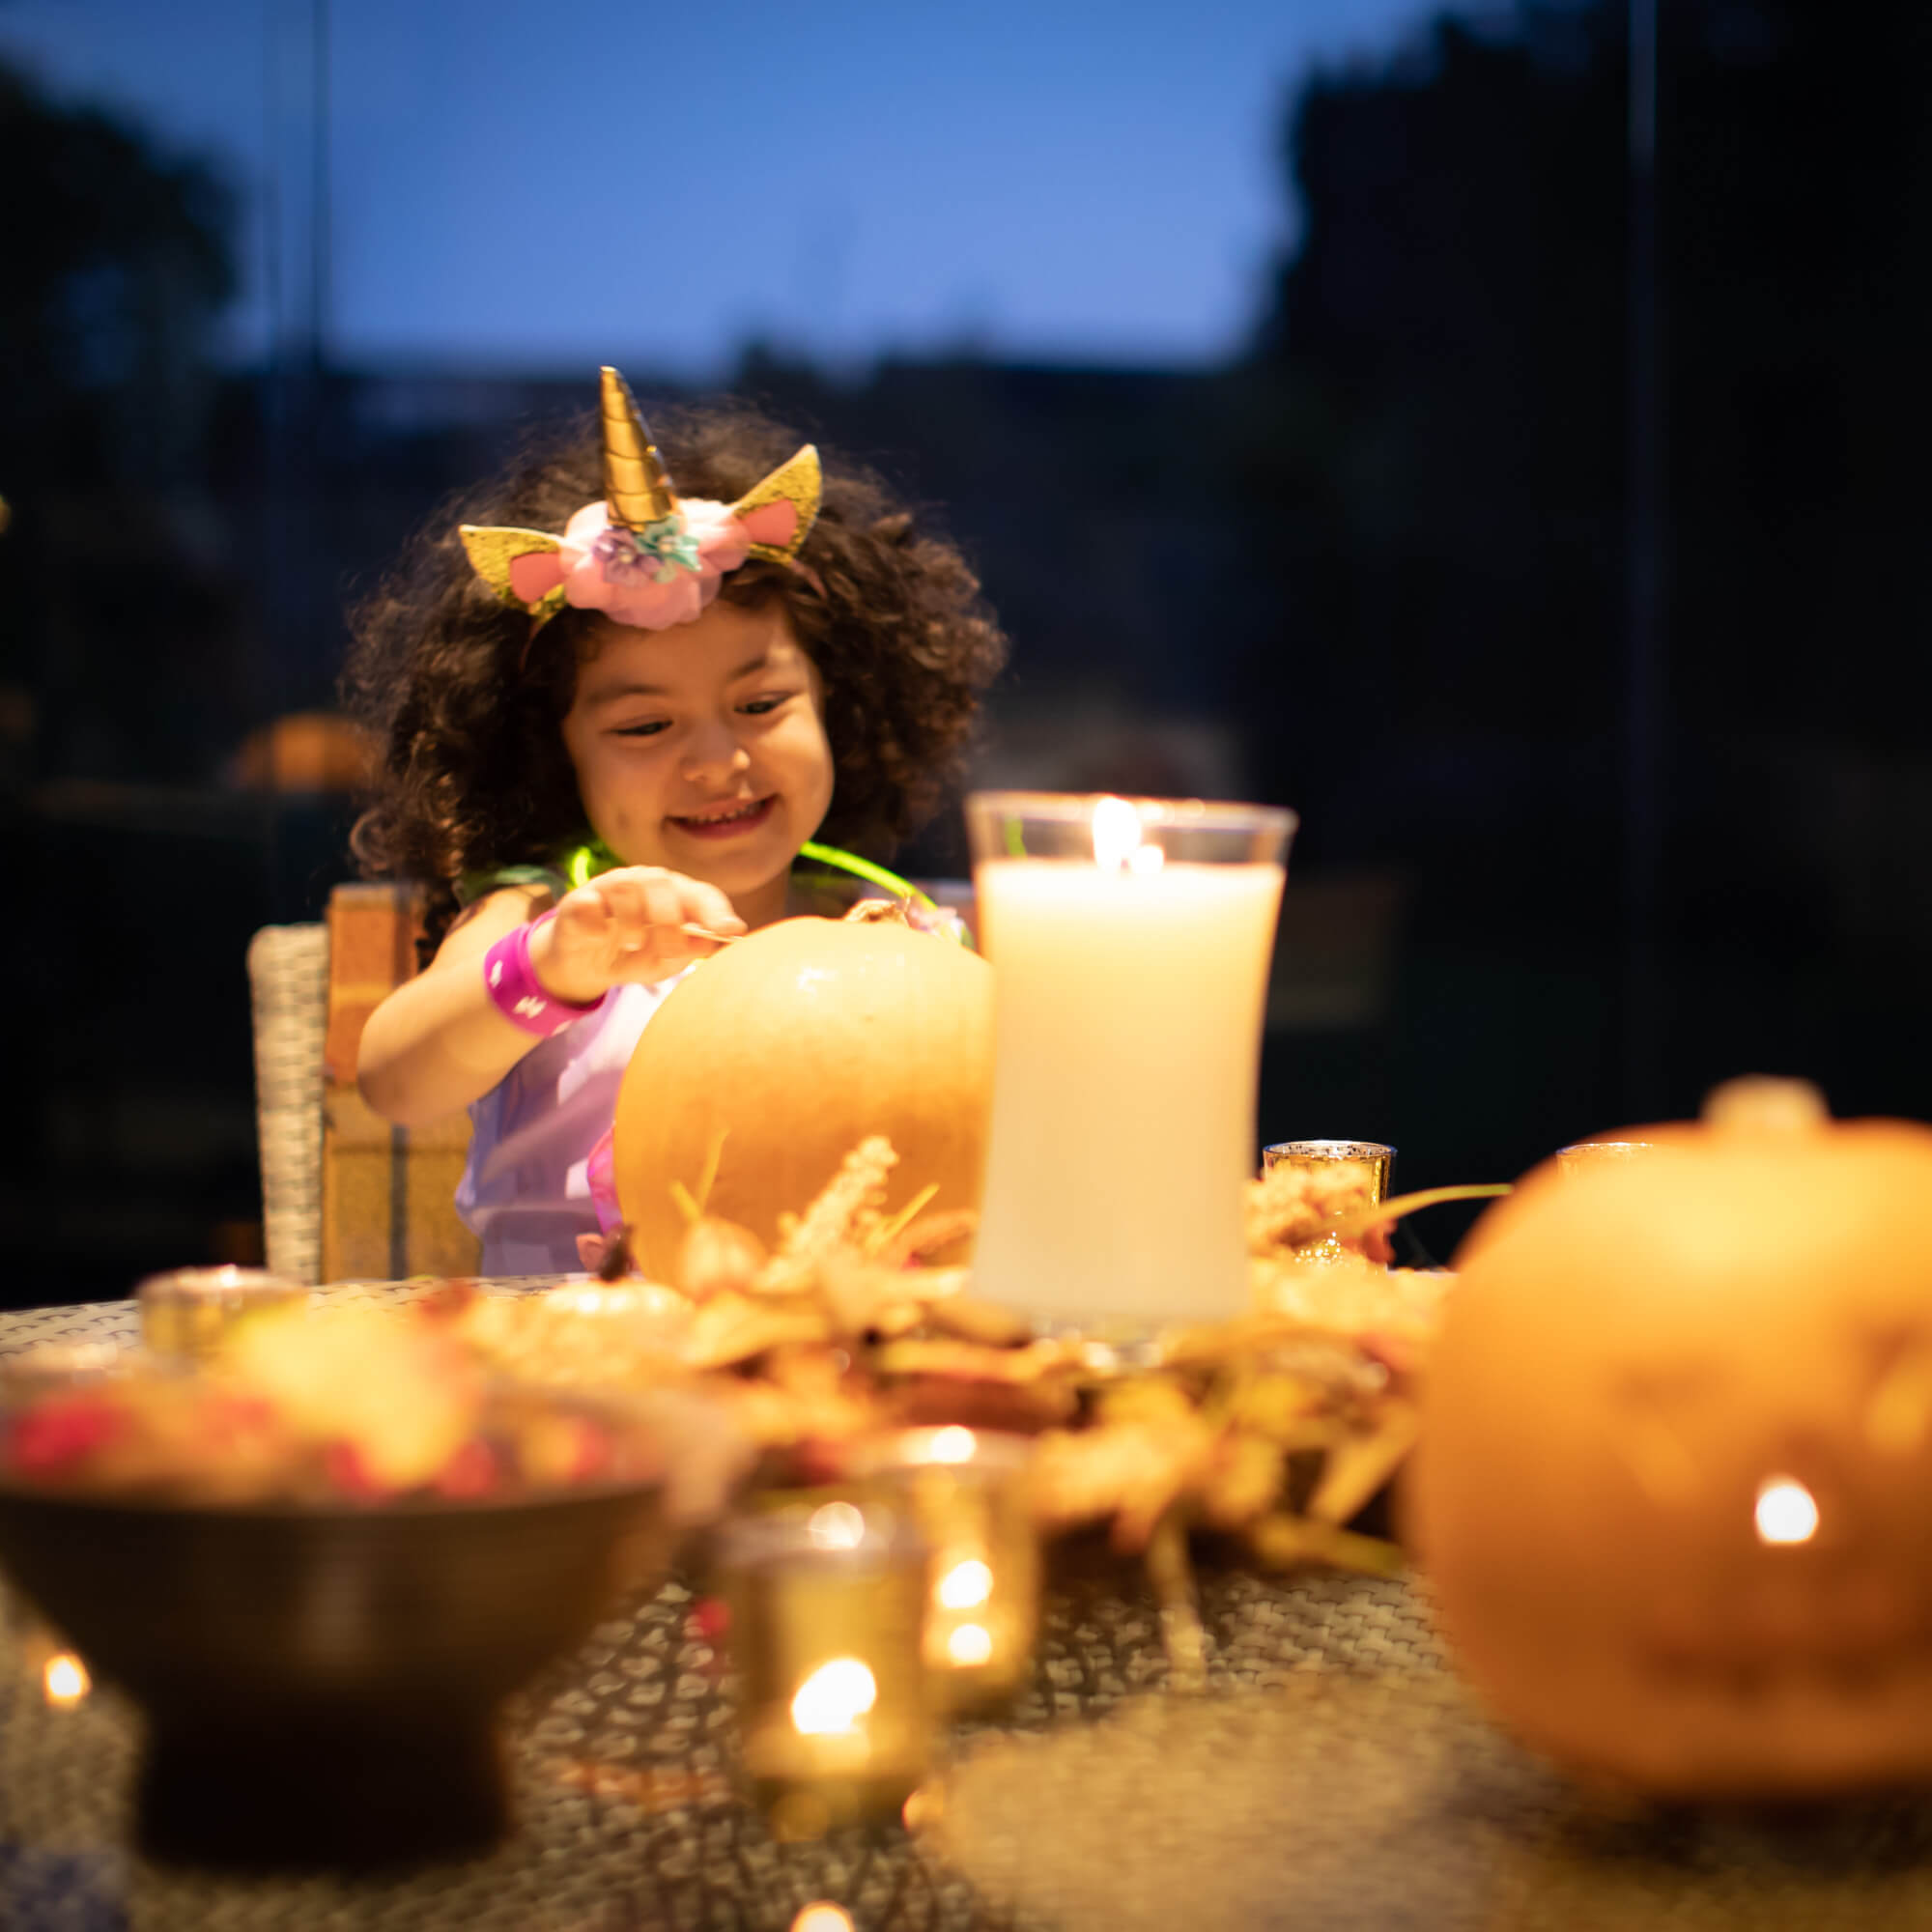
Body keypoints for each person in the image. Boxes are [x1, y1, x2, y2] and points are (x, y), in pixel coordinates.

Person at [345, 369, 1006, 1276]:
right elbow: (393, 1076)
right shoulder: (544, 915)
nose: (716, 762)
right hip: (582, 1371)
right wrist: (549, 968)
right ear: (552, 749)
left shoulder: (907, 931)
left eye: (762, 702)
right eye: (645, 726)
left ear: (838, 704)